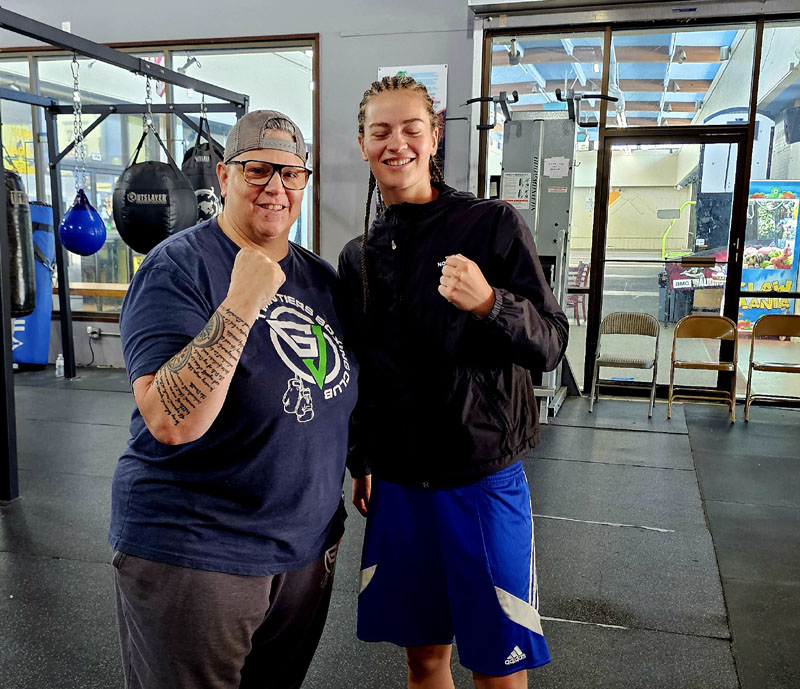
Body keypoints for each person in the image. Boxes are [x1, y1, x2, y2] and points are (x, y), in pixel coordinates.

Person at [110, 109, 357, 689]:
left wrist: (361, 463)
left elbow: (338, 390)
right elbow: (170, 420)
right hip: (199, 551)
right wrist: (241, 302)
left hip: (302, 551)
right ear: (223, 175)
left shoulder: (321, 280)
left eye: (291, 174)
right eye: (257, 169)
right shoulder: (178, 267)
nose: (276, 187)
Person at [338, 76, 569, 689]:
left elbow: (551, 343)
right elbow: (361, 367)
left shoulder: (490, 225)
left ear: (434, 136)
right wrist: (362, 458)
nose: (397, 143)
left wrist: (492, 303)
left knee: (498, 665)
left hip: (481, 480)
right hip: (398, 483)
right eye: (380, 131)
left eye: (411, 129)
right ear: (362, 144)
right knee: (423, 659)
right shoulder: (360, 256)